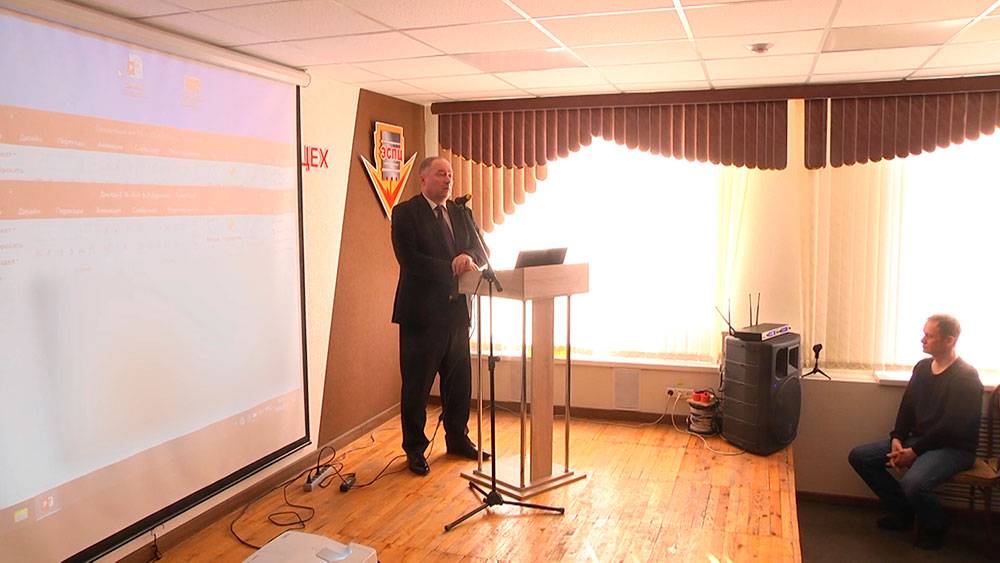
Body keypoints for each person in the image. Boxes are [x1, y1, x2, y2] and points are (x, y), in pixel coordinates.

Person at [848, 314, 982, 550]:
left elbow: (951, 427)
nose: (923, 340)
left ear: (949, 340)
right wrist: (897, 439)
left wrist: (915, 451)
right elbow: (907, 408)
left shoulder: (966, 377)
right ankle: (904, 512)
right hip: (919, 441)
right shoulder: (922, 368)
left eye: (929, 336)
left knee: (913, 483)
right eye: (924, 334)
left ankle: (937, 525)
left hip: (954, 449)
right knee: (861, 457)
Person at [390, 156, 489, 476]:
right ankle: (415, 449)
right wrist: (450, 266)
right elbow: (409, 259)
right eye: (440, 174)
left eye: (450, 175)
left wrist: (467, 255)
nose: (448, 180)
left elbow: (482, 250)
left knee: (459, 384)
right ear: (423, 179)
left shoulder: (461, 213)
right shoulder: (405, 213)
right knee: (417, 387)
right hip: (420, 317)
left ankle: (457, 439)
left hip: (457, 314)